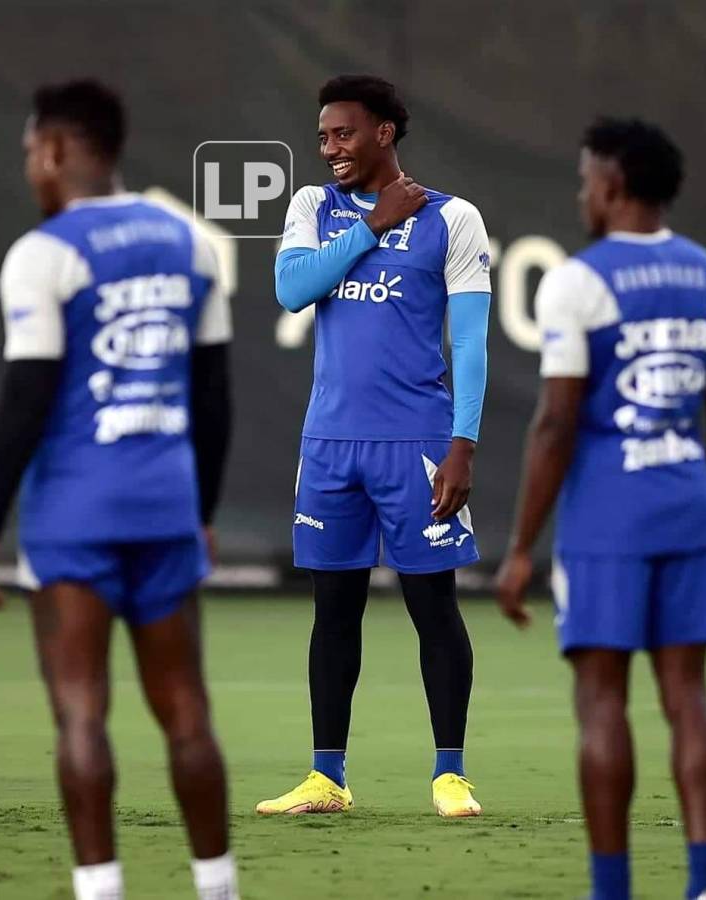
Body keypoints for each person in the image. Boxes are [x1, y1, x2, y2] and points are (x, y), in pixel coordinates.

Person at [0, 79, 238, 900]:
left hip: (74, 513)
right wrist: (203, 514)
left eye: (28, 155)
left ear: (53, 150)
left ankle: (101, 890)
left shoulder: (43, 254)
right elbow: (214, 396)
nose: (28, 170)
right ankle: (216, 887)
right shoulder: (191, 243)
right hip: (164, 507)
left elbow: (25, 401)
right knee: (187, 713)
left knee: (81, 715)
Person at [495, 117, 706, 900]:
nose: (581, 192)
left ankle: (612, 891)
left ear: (610, 186)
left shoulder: (579, 280)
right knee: (687, 696)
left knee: (601, 701)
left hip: (608, 518)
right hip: (686, 508)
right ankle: (703, 887)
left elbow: (554, 423)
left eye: (584, 180)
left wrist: (517, 548)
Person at [258, 75, 492, 818]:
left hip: (416, 444)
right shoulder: (311, 207)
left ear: (384, 133)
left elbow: (470, 342)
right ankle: (327, 778)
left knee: (433, 606)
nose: (328, 148)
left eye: (344, 134)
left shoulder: (453, 219)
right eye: (323, 135)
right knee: (333, 611)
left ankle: (449, 775)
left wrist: (463, 444)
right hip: (328, 444)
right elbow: (293, 290)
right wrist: (370, 225)